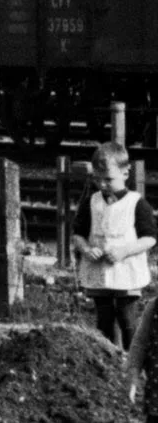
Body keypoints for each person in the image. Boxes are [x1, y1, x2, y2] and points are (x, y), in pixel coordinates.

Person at [72, 140, 156, 350]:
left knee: (128, 321)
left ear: (125, 173)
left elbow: (150, 238)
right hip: (99, 272)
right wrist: (86, 249)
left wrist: (124, 251)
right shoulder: (91, 202)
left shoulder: (137, 203)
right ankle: (108, 361)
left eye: (108, 179)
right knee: (104, 320)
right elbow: (78, 234)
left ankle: (132, 362)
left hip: (126, 273)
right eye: (98, 179)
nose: (102, 185)